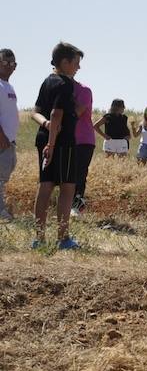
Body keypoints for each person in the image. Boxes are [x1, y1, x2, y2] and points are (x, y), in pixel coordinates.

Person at [32, 42, 83, 249]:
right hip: (61, 144)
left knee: (45, 186)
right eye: (76, 63)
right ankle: (63, 239)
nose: (78, 68)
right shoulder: (65, 83)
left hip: (44, 139)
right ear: (65, 62)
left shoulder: (47, 81)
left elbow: (35, 112)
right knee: (67, 188)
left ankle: (39, 239)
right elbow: (56, 114)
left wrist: (45, 126)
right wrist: (52, 144)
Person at [72, 81, 98, 215]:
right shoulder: (57, 87)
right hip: (66, 139)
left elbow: (77, 112)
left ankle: (77, 206)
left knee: (79, 174)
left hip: (84, 140)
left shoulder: (84, 90)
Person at [0, 48, 18, 222]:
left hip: (9, 141)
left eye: (13, 63)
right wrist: (2, 137)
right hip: (2, 141)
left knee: (3, 177)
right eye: (5, 62)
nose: (9, 66)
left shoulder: (9, 86)